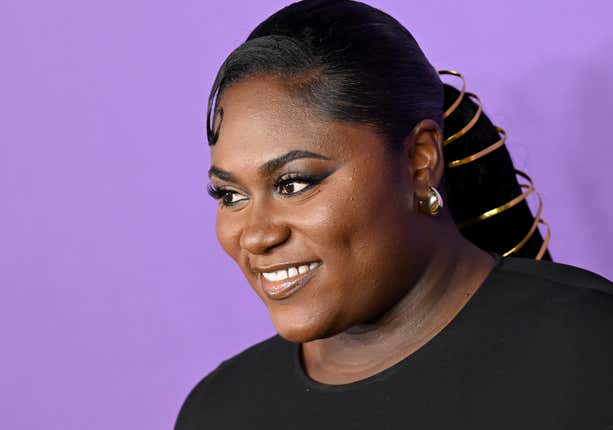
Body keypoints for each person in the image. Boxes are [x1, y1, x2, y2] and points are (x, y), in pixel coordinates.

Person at [175, 1, 613, 428]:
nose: (255, 236)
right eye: (230, 195)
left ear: (419, 160)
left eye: (293, 184)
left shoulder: (591, 351)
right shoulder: (220, 410)